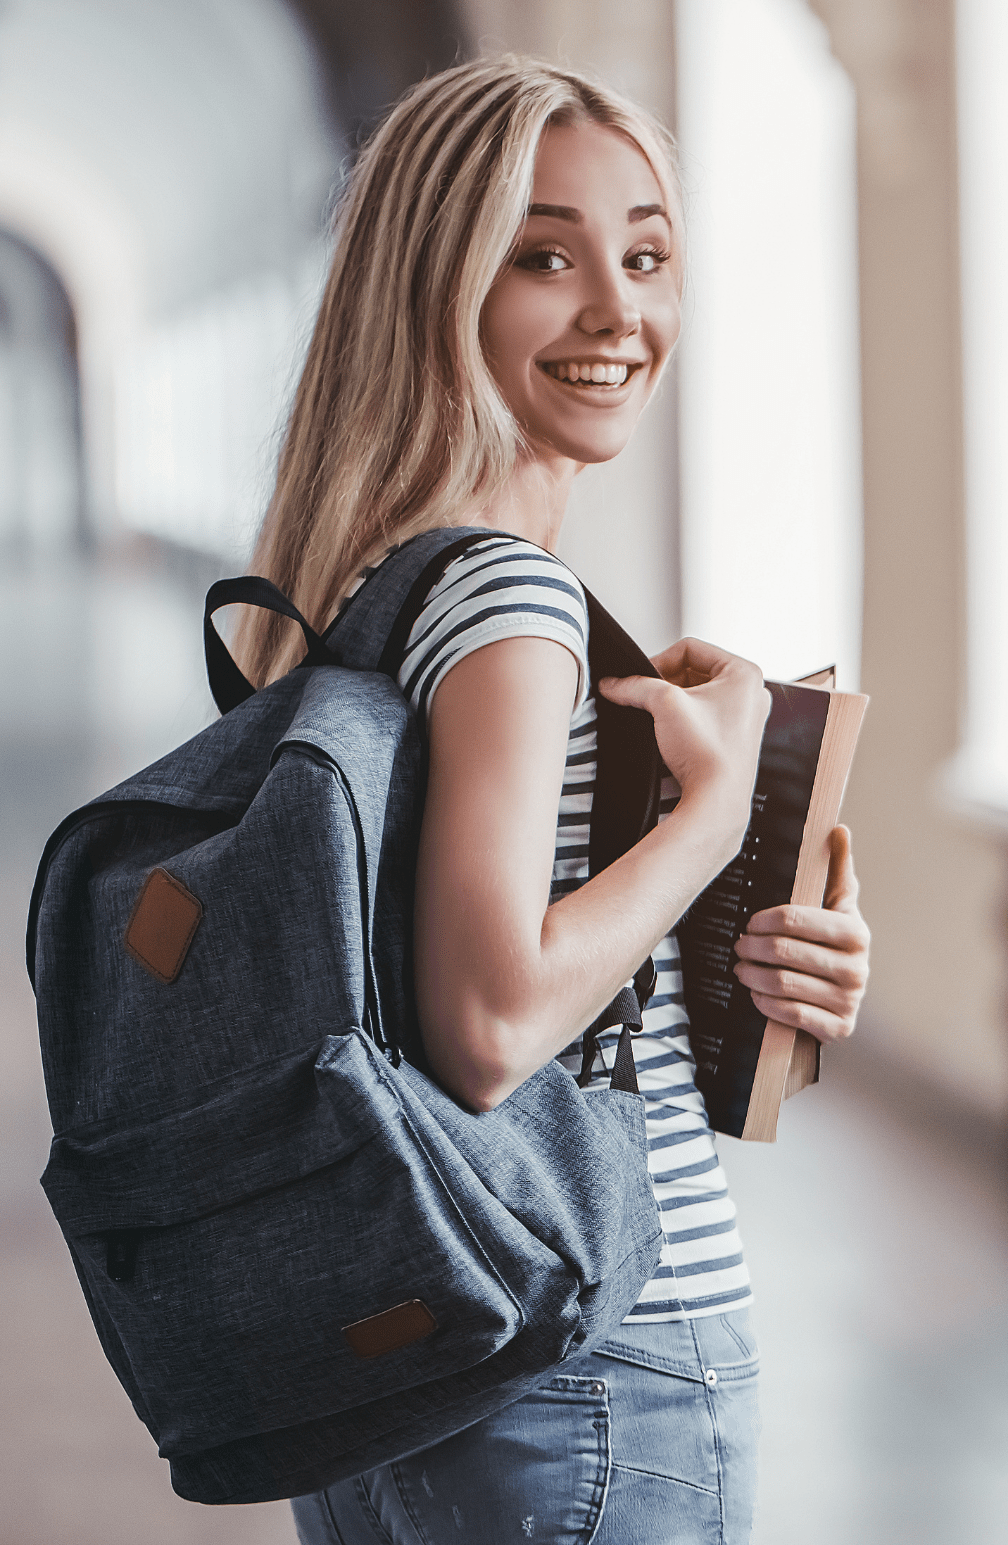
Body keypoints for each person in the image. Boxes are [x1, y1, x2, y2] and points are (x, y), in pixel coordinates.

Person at [235, 58, 871, 1545]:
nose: (617, 310)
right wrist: (703, 826)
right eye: (544, 256)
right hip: (597, 1347)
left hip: (409, 1337)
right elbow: (493, 1022)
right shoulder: (510, 603)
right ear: (437, 286)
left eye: (646, 255)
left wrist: (754, 963)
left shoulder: (360, 594)